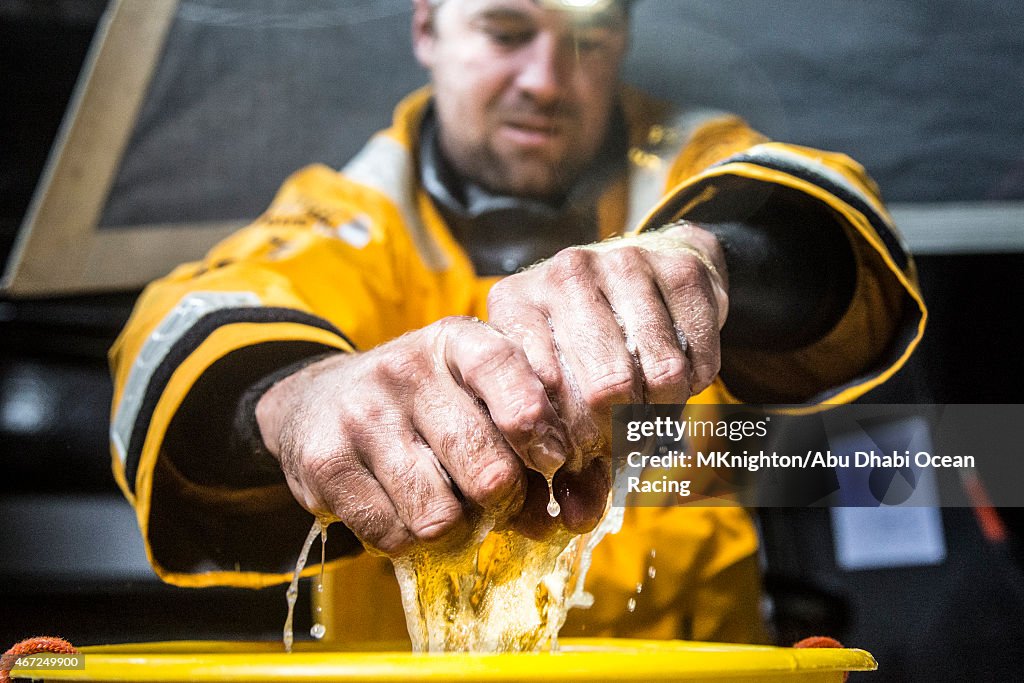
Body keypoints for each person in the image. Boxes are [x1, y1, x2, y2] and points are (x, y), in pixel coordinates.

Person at [109, 0, 926, 644]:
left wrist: (711, 260)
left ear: (625, 39)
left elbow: (834, 235)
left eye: (589, 38)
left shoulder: (688, 163)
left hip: (696, 663)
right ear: (427, 25)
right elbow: (188, 327)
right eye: (505, 31)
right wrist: (297, 402)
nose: (546, 78)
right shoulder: (349, 215)